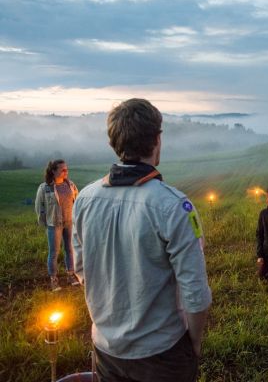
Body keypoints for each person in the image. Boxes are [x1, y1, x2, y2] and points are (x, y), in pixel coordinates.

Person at [72, 98, 211, 382]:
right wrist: (194, 344)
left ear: (114, 143)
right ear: (157, 140)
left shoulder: (84, 198)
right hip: (162, 355)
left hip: (106, 348)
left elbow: (81, 269)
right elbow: (195, 292)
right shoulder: (174, 206)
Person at [35, 159, 79, 291]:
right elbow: (39, 206)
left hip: (69, 223)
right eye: (63, 170)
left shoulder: (71, 185)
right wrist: (44, 222)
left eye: (67, 169)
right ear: (54, 171)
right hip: (54, 224)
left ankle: (71, 274)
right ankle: (53, 279)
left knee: (70, 249)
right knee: (54, 252)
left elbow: (77, 201)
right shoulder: (45, 188)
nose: (66, 172)